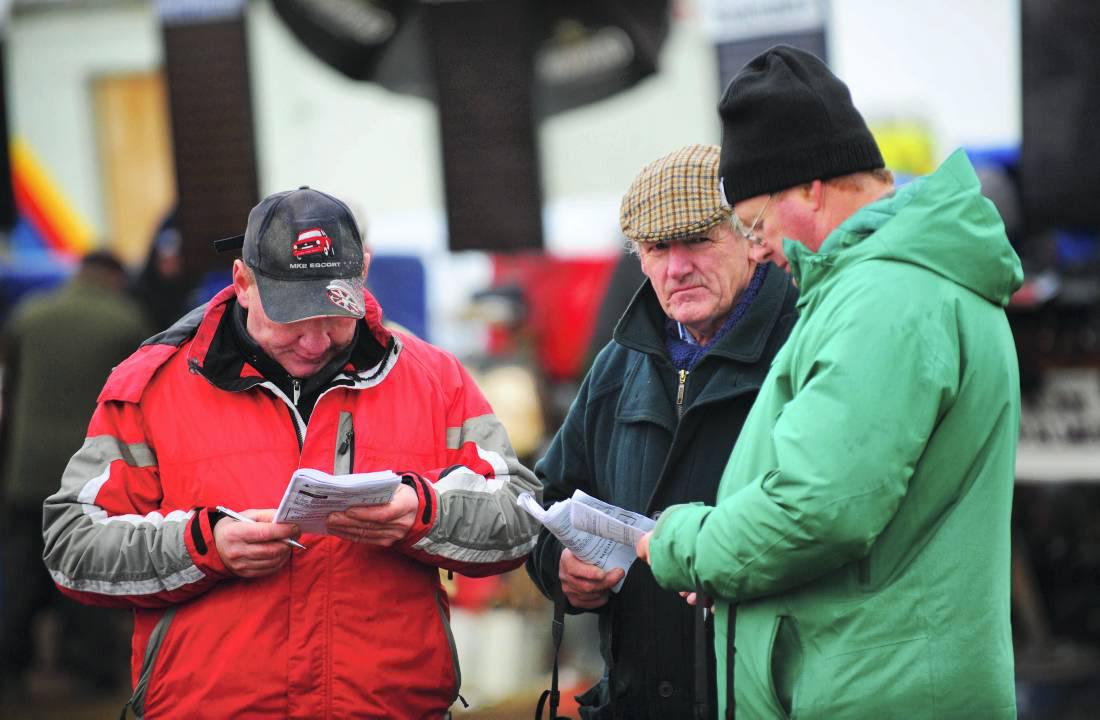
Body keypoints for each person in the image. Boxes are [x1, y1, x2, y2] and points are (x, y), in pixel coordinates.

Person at [40, 186, 542, 718]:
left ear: (363, 272)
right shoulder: (149, 386)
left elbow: (521, 518)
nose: (313, 341)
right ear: (243, 283)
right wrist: (202, 546)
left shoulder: (435, 380)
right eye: (291, 316)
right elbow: (73, 548)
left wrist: (424, 514)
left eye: (333, 313)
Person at [636, 46, 1023, 718]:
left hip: (877, 694)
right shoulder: (892, 285)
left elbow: (817, 510)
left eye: (756, 223)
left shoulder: (886, 300)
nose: (757, 247)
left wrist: (687, 544)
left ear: (810, 187)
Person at [526, 144, 799, 719]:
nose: (677, 267)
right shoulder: (618, 365)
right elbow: (545, 499)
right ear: (640, 259)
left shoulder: (801, 349)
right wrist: (560, 568)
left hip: (766, 702)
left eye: (699, 239)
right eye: (657, 248)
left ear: (750, 237)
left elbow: (827, 518)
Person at [1, 250, 150, 701]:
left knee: (17, 573)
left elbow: (11, 390)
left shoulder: (29, 313)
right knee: (86, 573)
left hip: (26, 470)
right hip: (89, 472)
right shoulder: (125, 319)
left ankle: (8, 665)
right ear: (115, 278)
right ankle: (90, 671)